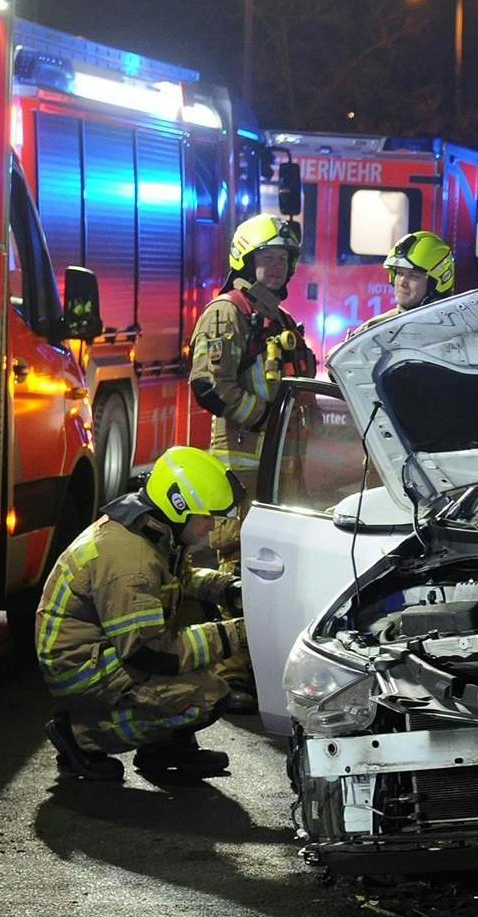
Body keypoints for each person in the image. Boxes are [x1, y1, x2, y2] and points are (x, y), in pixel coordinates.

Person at [37, 446, 251, 781]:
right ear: (178, 507)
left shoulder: (148, 530)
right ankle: (80, 734)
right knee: (207, 695)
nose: (212, 525)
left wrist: (226, 588)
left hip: (100, 651)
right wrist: (236, 634)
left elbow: (178, 579)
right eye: (207, 515)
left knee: (196, 658)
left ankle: (165, 749)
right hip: (82, 668)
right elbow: (150, 652)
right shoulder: (130, 561)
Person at [188, 215, 313, 712]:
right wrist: (266, 420)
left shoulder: (276, 319)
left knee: (271, 568)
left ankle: (256, 667)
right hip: (242, 465)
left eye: (283, 259)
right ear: (245, 260)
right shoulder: (229, 313)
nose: (277, 267)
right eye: (267, 258)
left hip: (277, 469)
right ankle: (228, 675)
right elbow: (209, 384)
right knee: (238, 566)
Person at [381, 230, 456, 315]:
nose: (402, 282)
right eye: (399, 273)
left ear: (434, 284)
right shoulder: (374, 327)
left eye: (413, 276)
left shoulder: (461, 327)